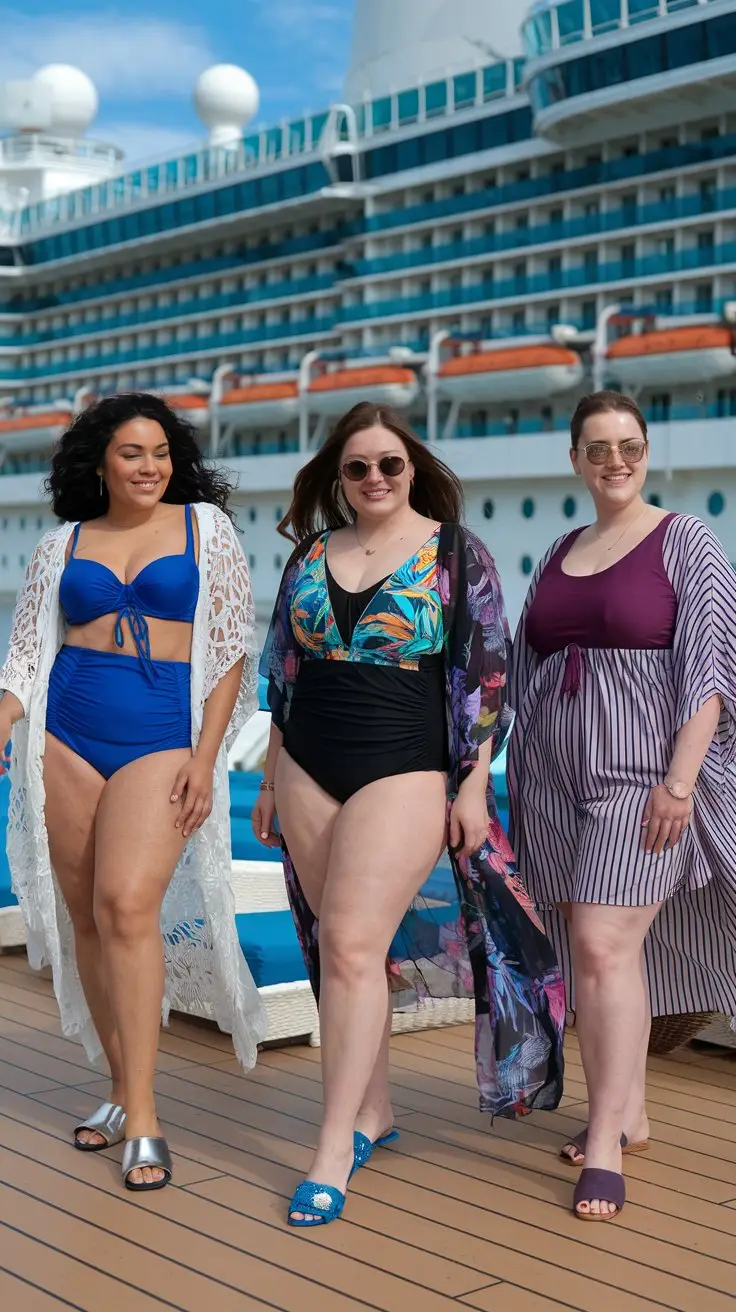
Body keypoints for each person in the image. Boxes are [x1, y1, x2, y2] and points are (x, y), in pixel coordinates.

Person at [254, 401, 565, 1228]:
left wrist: (471, 783)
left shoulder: (457, 552)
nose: (375, 479)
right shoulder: (312, 554)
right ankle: (374, 1112)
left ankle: (329, 1153)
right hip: (307, 763)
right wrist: (267, 777)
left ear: (413, 468)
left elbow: (486, 674)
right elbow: (281, 670)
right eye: (357, 467)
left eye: (390, 464)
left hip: (405, 762)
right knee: (341, 951)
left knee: (353, 943)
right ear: (339, 477)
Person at [0, 393, 266, 1192]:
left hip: (164, 737)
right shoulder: (60, 545)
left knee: (126, 904)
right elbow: (24, 655)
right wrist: (5, 716)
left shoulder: (205, 530)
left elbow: (227, 651)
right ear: (99, 463)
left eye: (159, 452)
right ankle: (118, 1088)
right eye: (131, 453)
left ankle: (145, 1115)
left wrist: (206, 758)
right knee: (86, 915)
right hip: (65, 733)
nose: (149, 467)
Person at [508, 390, 736, 1223]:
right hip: (552, 777)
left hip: (639, 777)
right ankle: (628, 1111)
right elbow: (531, 664)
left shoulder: (687, 540)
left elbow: (710, 667)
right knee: (593, 949)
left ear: (647, 452)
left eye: (629, 446)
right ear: (575, 459)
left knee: (604, 944)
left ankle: (603, 1140)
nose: (615, 461)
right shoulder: (563, 548)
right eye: (598, 447)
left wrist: (681, 781)